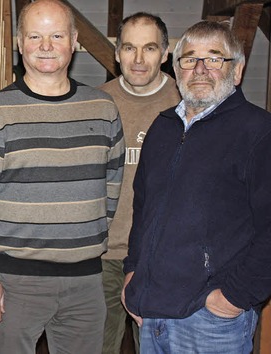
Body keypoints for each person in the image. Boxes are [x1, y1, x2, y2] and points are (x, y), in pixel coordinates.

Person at [0, 1, 125, 353]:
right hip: (16, 281)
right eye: (35, 36)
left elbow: (111, 190)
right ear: (20, 43)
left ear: (75, 40)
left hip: (85, 282)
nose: (46, 46)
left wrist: (82, 235)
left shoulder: (103, 109)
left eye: (56, 35)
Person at [122, 20, 271, 353]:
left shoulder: (259, 133)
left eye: (215, 58)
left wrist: (236, 296)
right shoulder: (161, 129)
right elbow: (142, 210)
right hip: (152, 310)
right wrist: (133, 272)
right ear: (176, 69)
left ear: (238, 69)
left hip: (212, 320)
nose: (200, 68)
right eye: (189, 59)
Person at [98, 12, 180, 354]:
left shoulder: (186, 102)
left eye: (149, 48)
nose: (138, 59)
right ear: (117, 53)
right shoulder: (96, 103)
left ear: (165, 53)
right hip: (102, 255)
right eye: (129, 48)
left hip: (162, 255)